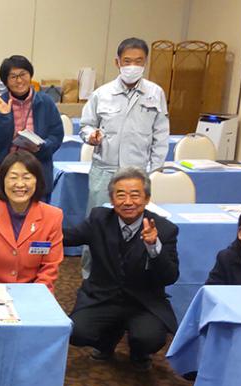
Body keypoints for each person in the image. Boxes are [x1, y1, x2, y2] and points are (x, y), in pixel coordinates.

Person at [64, 167, 179, 372]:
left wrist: (153, 246)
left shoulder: (164, 228)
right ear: (111, 198)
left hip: (143, 302)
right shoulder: (99, 218)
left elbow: (170, 276)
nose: (127, 202)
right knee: (76, 332)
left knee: (149, 338)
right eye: (120, 195)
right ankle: (105, 343)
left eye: (135, 195)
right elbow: (69, 236)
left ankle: (139, 353)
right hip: (103, 297)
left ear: (147, 198)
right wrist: (36, 222)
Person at [79, 37, 169, 277]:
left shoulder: (155, 93)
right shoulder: (102, 93)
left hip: (138, 173)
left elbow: (161, 135)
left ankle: (131, 277)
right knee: (97, 227)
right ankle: (90, 277)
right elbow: (85, 126)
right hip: (105, 171)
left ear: (145, 63)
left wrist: (155, 171)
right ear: (117, 62)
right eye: (127, 61)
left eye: (138, 61)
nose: (132, 66)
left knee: (135, 228)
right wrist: (91, 136)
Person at [0, 150, 63, 292]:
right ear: (2, 180)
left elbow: (49, 268)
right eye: (13, 177)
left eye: (26, 177)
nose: (20, 184)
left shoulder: (53, 216)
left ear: (37, 180)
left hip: (35, 292)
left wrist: (35, 295)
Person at [0, 55, 64, 200]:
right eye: (13, 77)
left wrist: (42, 147)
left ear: (30, 75)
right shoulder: (0, 103)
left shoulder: (45, 102)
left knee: (37, 217)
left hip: (37, 168)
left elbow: (57, 135)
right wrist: (4, 117)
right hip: (6, 169)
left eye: (23, 75)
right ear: (6, 81)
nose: (19, 80)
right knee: (4, 217)